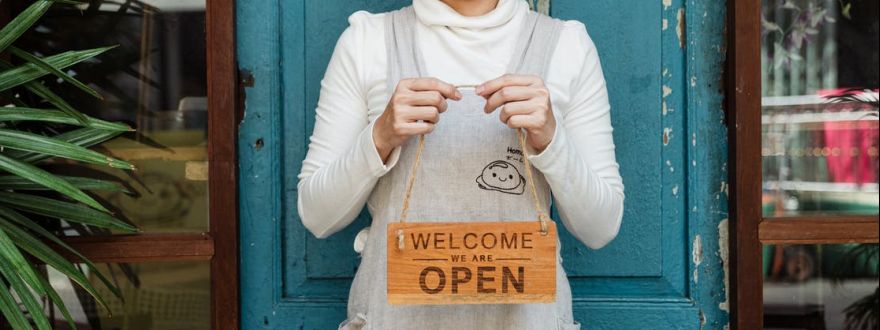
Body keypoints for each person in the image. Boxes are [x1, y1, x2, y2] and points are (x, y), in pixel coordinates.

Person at [297, 0, 625, 328]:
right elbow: (318, 215)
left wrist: (552, 139)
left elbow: (600, 227)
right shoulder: (367, 42)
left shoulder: (568, 46)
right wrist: (380, 136)